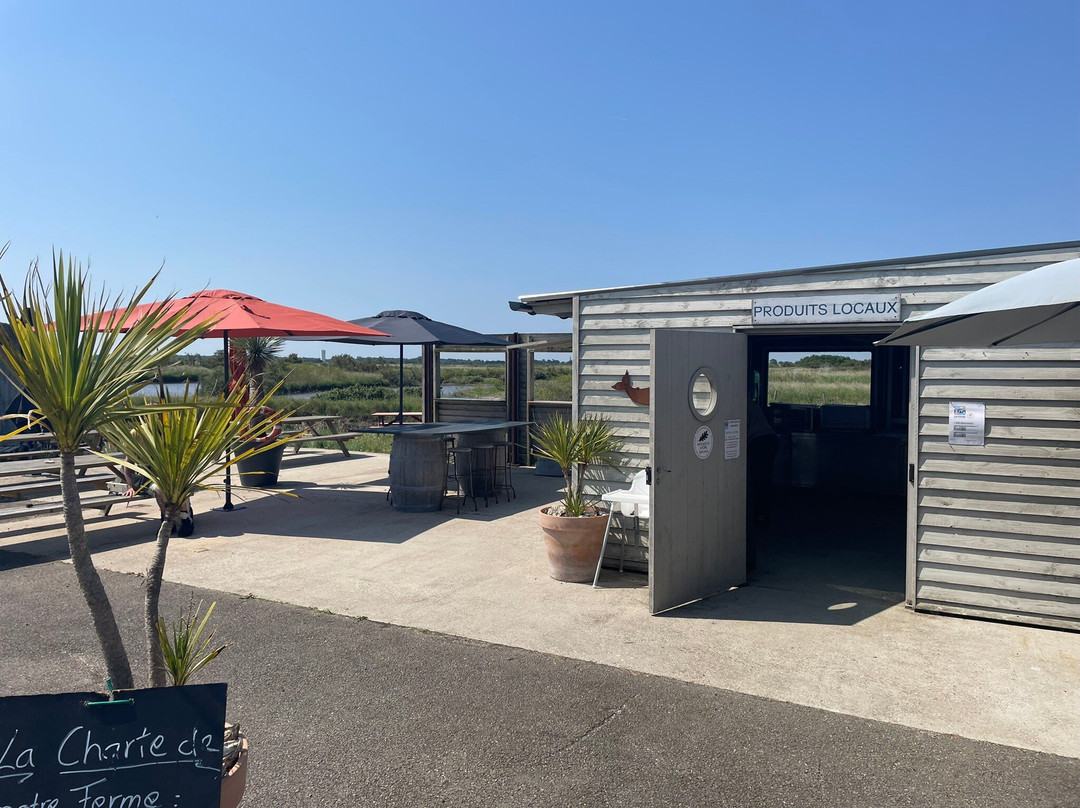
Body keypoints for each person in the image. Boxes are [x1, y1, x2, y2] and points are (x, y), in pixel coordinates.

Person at [122, 468, 195, 537]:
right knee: (160, 489)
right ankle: (167, 519)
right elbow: (127, 466)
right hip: (150, 480)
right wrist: (131, 486)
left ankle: (185, 517)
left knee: (179, 485)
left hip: (173, 477)